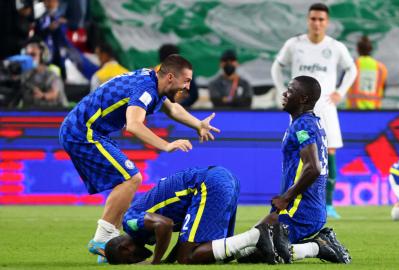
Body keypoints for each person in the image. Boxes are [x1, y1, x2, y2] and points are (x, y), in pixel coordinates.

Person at [59, 54, 220, 257]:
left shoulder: (156, 82)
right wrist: (166, 145)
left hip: (91, 130)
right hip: (83, 131)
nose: (188, 87)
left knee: (126, 180)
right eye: (186, 81)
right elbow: (134, 125)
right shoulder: (145, 89)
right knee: (131, 178)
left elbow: (172, 109)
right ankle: (102, 240)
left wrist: (198, 124)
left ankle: (108, 244)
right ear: (170, 77)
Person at [249, 76, 350, 264]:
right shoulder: (307, 122)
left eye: (290, 90)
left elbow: (313, 168)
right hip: (300, 207)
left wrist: (286, 197)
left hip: (300, 210)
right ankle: (317, 244)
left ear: (303, 99)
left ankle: (318, 246)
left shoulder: (304, 125)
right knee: (252, 246)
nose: (285, 93)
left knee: (256, 253)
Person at [271, 3, 357, 219]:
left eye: (321, 19)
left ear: (327, 22)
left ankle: (328, 204)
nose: (317, 23)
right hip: (300, 111)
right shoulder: (294, 44)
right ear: (308, 20)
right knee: (298, 153)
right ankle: (293, 199)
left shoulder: (335, 47)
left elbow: (352, 69)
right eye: (313, 19)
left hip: (326, 107)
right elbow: (276, 66)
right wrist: (283, 90)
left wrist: (340, 92)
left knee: (329, 152)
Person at [104, 166, 283, 265]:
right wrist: (168, 260)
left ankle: (257, 234)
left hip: (208, 184)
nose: (136, 262)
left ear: (125, 249)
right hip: (223, 179)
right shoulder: (145, 232)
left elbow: (164, 225)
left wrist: (156, 262)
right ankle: (275, 242)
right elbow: (185, 236)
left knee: (188, 258)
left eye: (130, 261)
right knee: (216, 254)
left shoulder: (130, 222)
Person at [20, 39, 68, 108]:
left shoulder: (52, 75)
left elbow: (54, 93)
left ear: (42, 56)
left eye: (33, 55)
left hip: (57, 114)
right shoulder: (26, 76)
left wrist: (43, 95)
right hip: (33, 115)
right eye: (27, 55)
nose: (29, 58)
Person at [346, 35, 388, 110]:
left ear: (357, 49)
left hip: (354, 111)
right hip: (374, 111)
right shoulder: (381, 68)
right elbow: (384, 89)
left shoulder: (352, 66)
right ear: (371, 49)